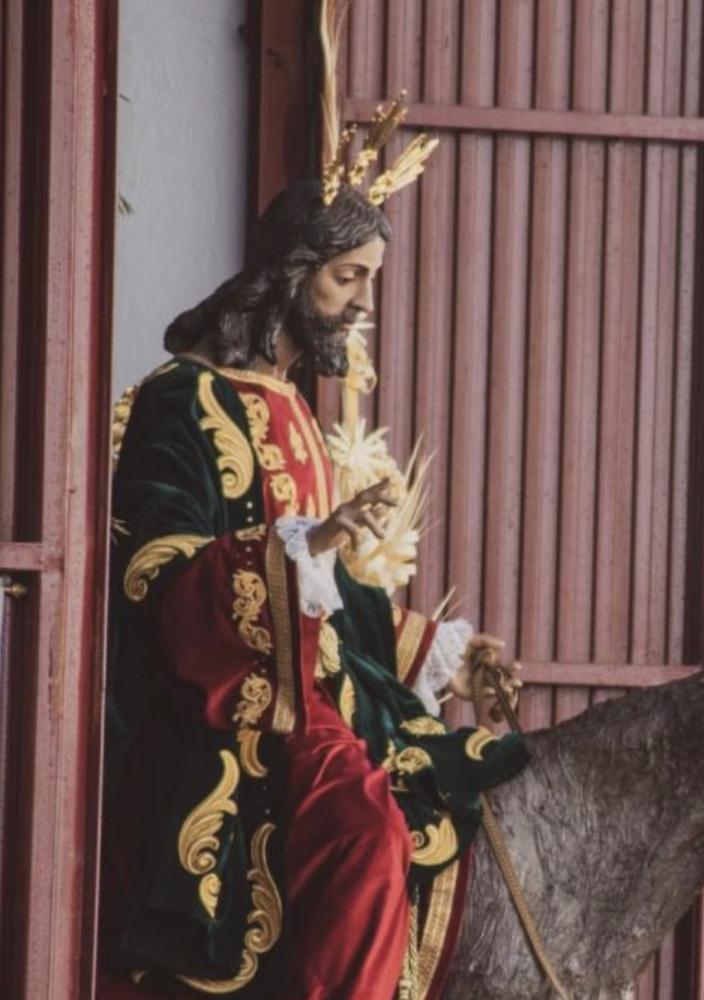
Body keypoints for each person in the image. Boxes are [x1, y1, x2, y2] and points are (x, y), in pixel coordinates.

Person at [100, 165, 527, 1000]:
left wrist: (438, 650)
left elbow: (325, 593)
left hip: (324, 693)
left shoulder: (295, 410)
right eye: (347, 277)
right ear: (290, 271)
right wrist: (302, 545)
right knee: (367, 828)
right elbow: (155, 571)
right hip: (230, 704)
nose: (363, 301)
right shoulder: (181, 399)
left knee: (476, 798)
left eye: (369, 278)